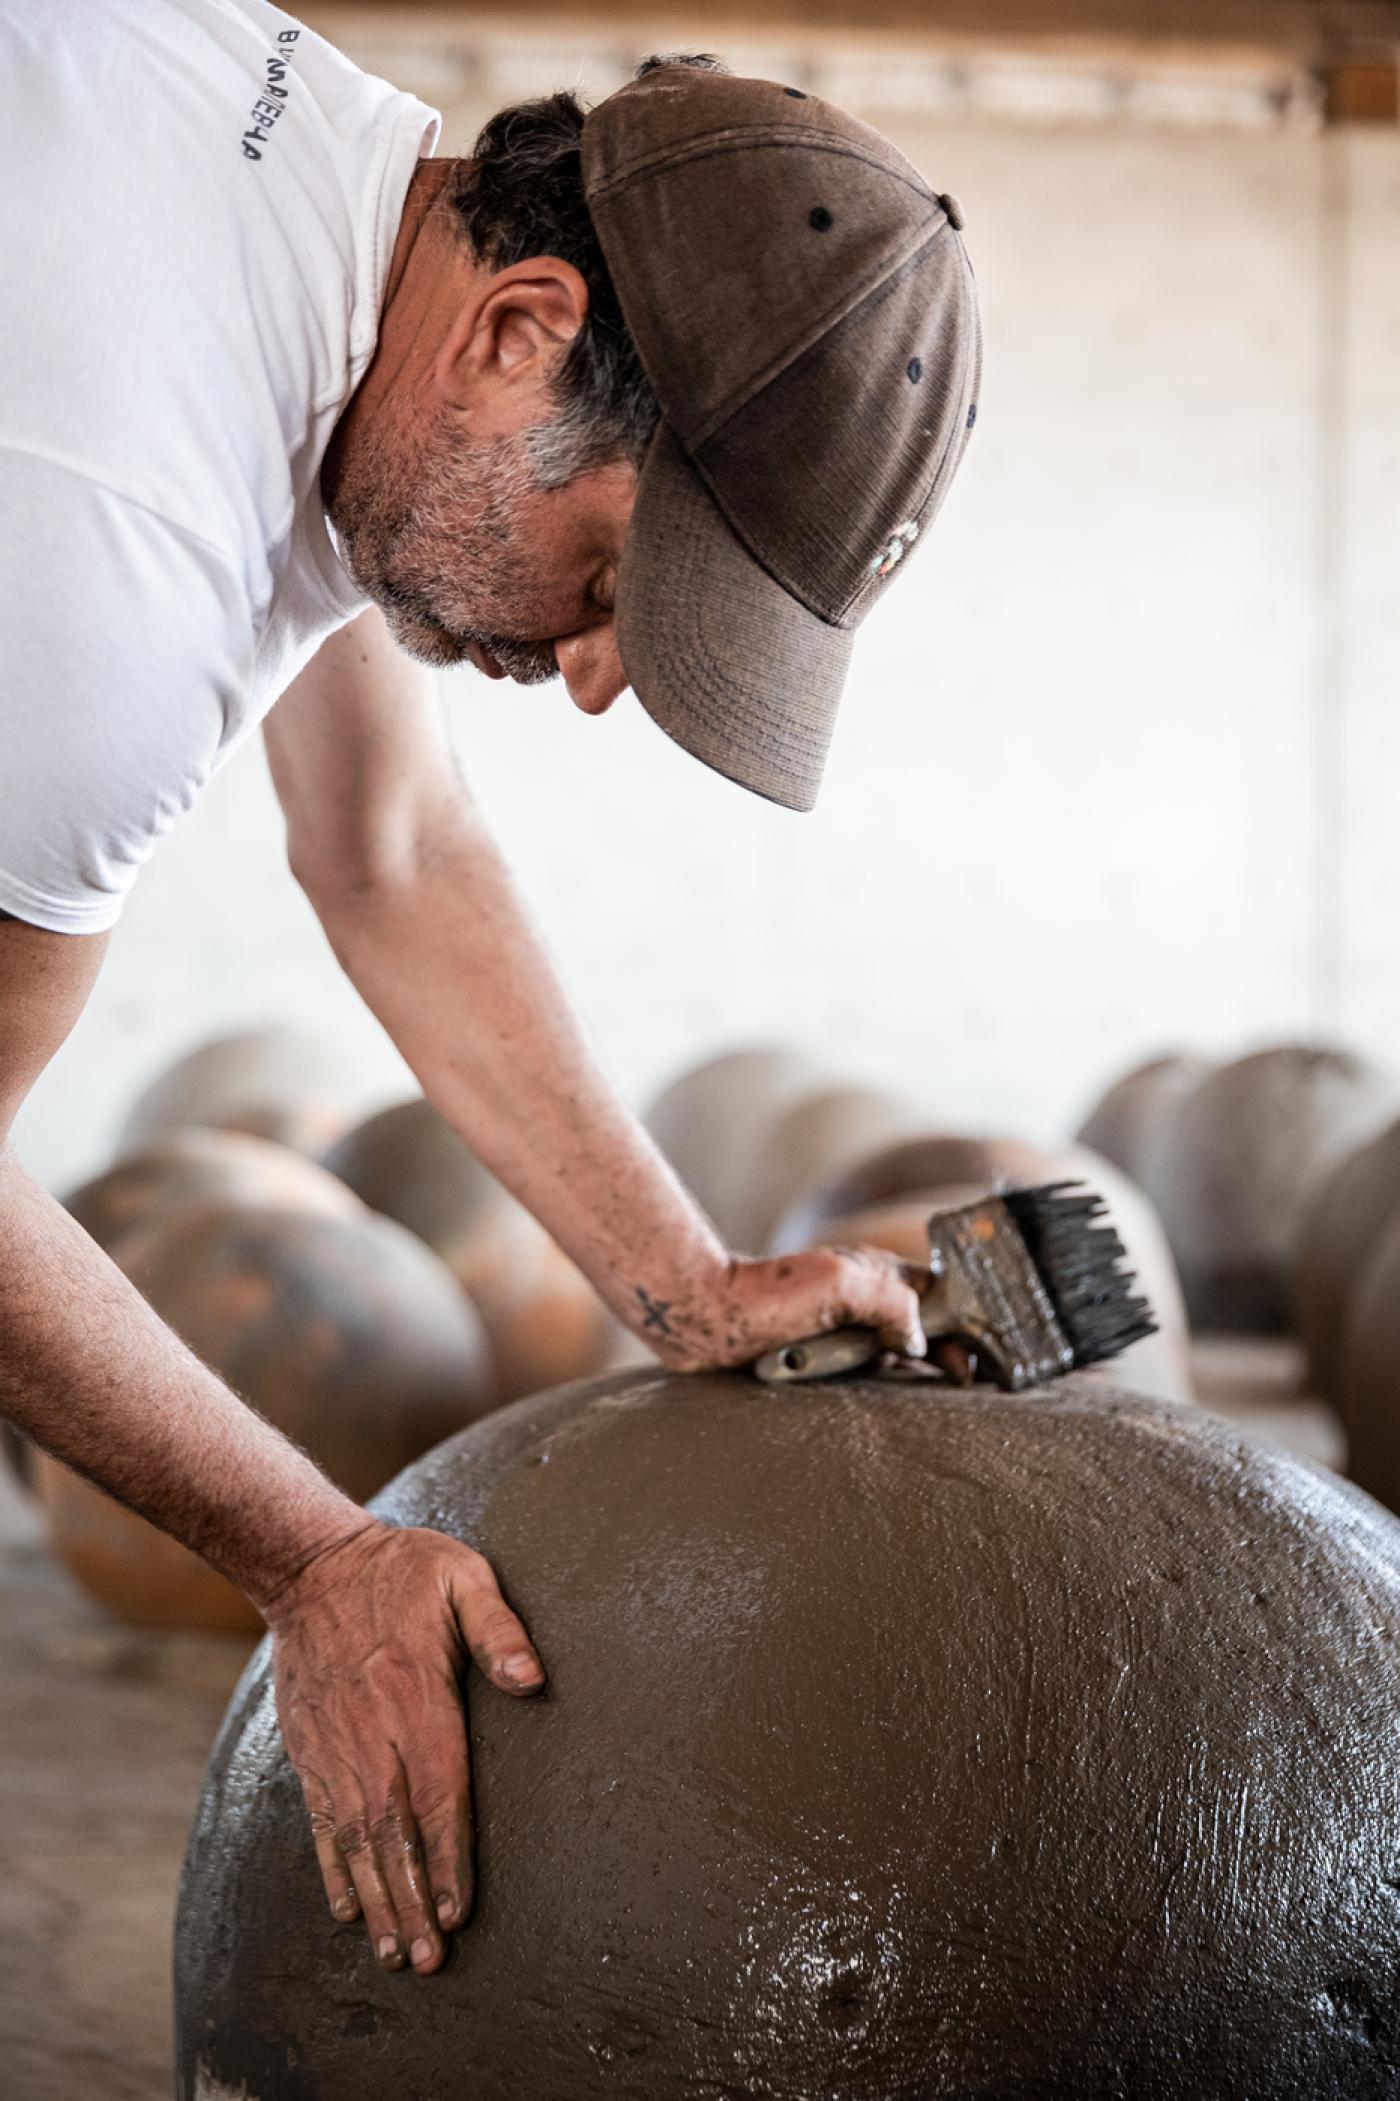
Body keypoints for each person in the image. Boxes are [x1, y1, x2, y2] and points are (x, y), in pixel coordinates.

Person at [0, 0, 980, 1978]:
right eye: (619, 579)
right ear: (525, 328)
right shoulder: (106, 554)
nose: (605, 679)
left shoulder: (322, 199)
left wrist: (678, 1275)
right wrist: (314, 1557)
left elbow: (390, 838)